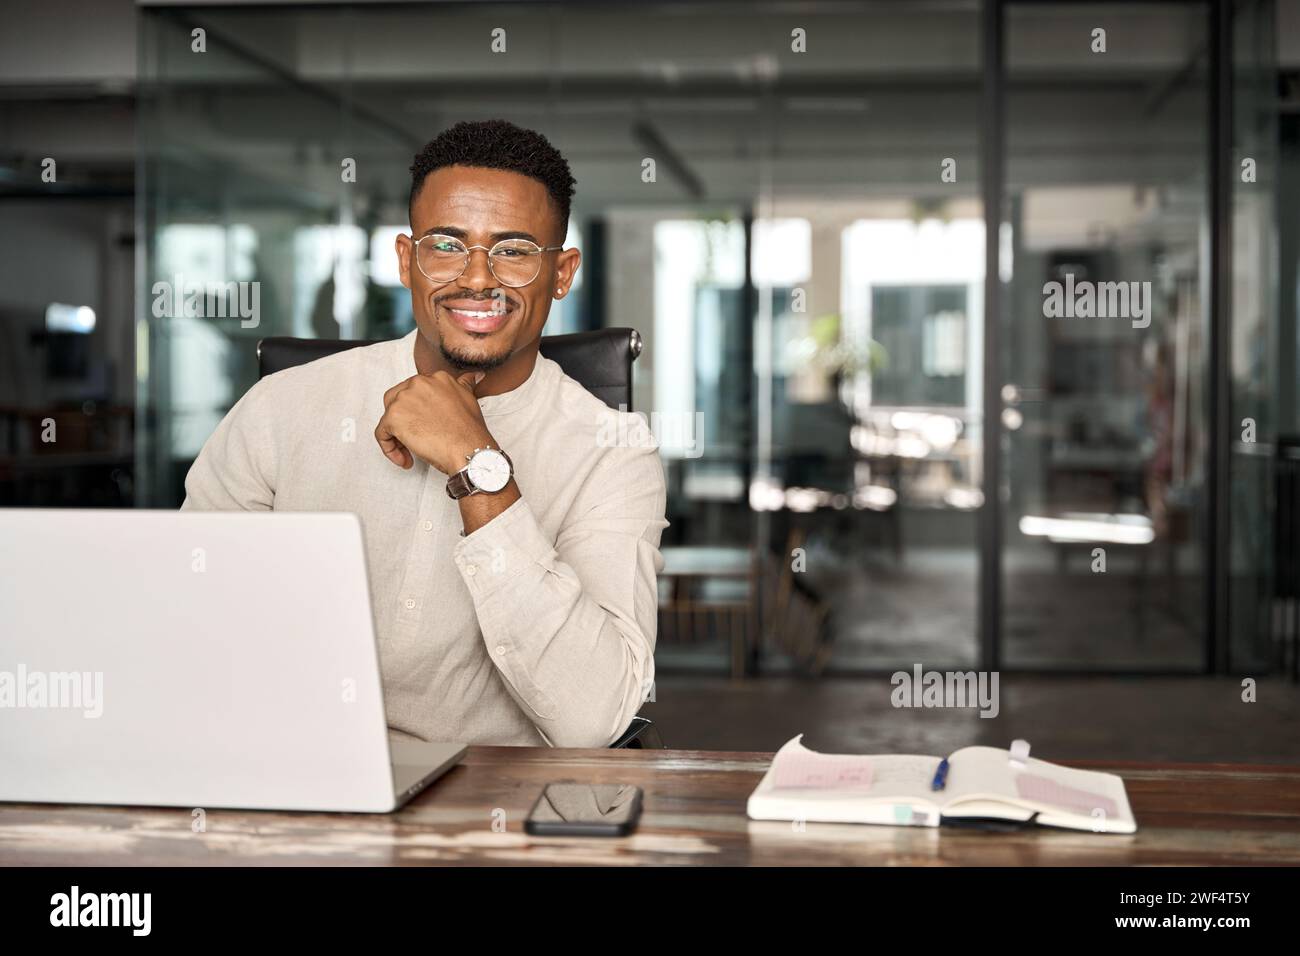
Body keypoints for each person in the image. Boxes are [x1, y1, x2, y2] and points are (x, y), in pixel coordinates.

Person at [182, 119, 667, 748]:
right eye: (446, 245)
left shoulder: (614, 456)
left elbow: (592, 719)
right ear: (408, 261)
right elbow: (186, 624)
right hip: (292, 774)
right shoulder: (282, 408)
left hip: (491, 808)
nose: (475, 278)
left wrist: (478, 464)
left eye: (515, 250)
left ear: (563, 272)